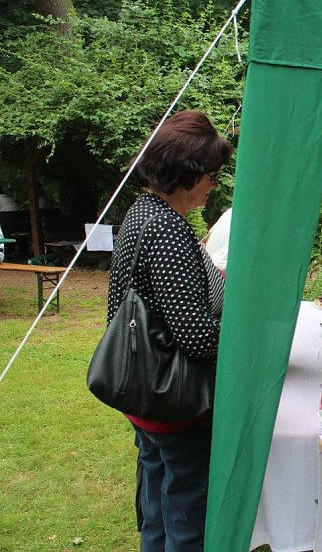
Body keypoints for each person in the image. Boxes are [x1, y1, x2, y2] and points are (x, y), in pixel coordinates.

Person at [107, 110, 231, 551]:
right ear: (189, 173)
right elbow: (196, 335)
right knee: (185, 516)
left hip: (142, 392)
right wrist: (244, 338)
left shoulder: (139, 214)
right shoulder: (167, 229)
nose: (214, 186)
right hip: (173, 403)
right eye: (212, 176)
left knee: (158, 508)